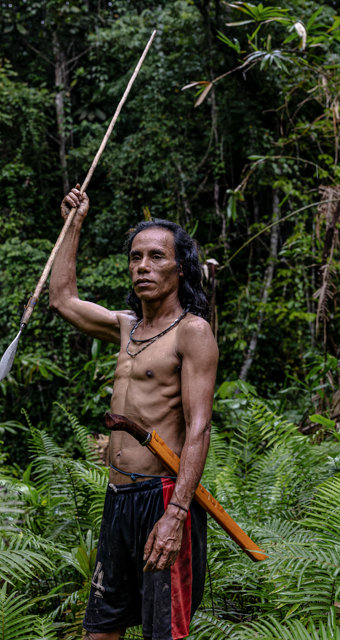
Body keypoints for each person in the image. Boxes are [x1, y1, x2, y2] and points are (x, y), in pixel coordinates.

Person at [50, 185, 219, 640]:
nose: (143, 266)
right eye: (136, 257)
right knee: (100, 631)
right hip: (118, 500)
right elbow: (62, 300)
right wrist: (74, 224)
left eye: (156, 257)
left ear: (179, 268)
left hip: (163, 499)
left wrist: (176, 514)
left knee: (162, 634)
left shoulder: (192, 332)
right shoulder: (127, 328)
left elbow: (199, 429)